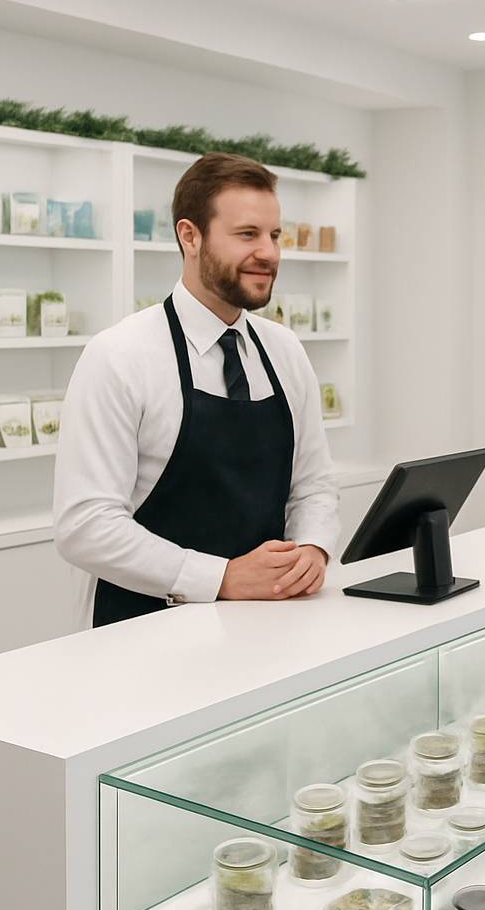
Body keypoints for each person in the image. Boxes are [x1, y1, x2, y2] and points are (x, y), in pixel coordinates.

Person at [54, 152, 340, 627]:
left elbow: (313, 485)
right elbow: (86, 527)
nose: (268, 253)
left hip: (270, 626)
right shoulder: (120, 356)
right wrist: (221, 578)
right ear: (190, 236)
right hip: (143, 633)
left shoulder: (285, 350)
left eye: (274, 235)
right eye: (247, 234)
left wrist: (313, 547)